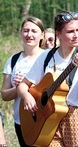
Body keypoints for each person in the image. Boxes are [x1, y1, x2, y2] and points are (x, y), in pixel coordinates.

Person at [17, 11, 78, 146]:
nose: (77, 35)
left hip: (77, 116)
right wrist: (27, 96)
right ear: (58, 34)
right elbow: (23, 85)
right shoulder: (46, 56)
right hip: (47, 117)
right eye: (71, 31)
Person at [0, 16, 45, 146]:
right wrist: (19, 88)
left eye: (34, 31)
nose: (29, 34)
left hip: (45, 119)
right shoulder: (13, 61)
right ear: (21, 33)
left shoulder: (48, 57)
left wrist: (28, 86)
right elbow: (4, 95)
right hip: (22, 121)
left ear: (42, 35)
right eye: (26, 31)